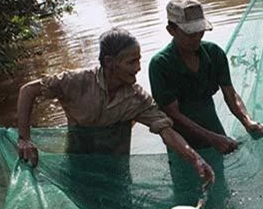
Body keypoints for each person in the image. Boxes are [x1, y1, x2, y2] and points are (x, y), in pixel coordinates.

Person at [16, 27, 215, 187]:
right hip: (78, 171)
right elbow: (28, 91)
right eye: (132, 62)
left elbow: (166, 131)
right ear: (110, 62)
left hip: (118, 177)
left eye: (139, 60)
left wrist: (194, 158)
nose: (138, 68)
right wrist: (24, 139)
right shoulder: (76, 82)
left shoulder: (137, 98)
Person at [148, 0, 263, 209]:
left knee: (218, 192)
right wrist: (213, 138)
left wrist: (247, 121)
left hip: (215, 134)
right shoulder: (161, 64)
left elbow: (230, 94)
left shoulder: (214, 53)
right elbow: (172, 114)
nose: (196, 37)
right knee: (188, 200)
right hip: (183, 144)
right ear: (171, 30)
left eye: (199, 31)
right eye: (189, 33)